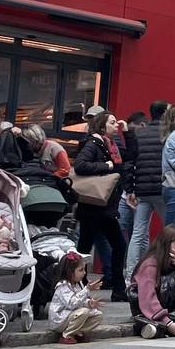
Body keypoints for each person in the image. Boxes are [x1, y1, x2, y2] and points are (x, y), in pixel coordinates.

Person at [72, 107, 128, 296]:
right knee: (87, 247)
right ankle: (82, 284)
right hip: (94, 207)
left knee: (92, 246)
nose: (116, 125)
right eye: (112, 122)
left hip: (104, 206)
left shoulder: (111, 145)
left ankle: (117, 289)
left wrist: (129, 133)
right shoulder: (93, 144)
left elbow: (130, 158)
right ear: (102, 127)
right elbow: (80, 166)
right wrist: (106, 165)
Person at [123, 99, 172, 283]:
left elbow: (130, 163)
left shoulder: (139, 135)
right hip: (162, 189)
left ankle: (130, 277)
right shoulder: (168, 134)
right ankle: (166, 271)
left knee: (137, 234)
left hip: (142, 190)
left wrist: (130, 188)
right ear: (166, 113)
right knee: (171, 230)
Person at [44, 251, 104, 343]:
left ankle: (78, 333)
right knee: (84, 312)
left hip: (71, 316)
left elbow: (79, 301)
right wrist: (87, 290)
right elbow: (72, 304)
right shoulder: (63, 286)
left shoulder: (77, 284)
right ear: (70, 272)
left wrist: (88, 303)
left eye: (84, 270)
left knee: (97, 315)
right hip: (60, 320)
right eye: (81, 270)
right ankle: (67, 335)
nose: (84, 273)